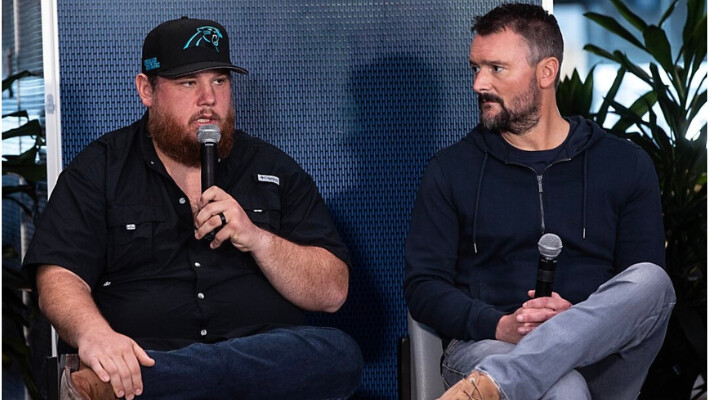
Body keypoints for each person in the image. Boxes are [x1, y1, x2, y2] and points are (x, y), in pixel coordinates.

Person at [22, 17, 363, 400]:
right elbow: (58, 278)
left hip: (249, 358)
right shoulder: (99, 170)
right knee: (130, 366)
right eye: (188, 83)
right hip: (148, 353)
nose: (208, 99)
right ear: (146, 90)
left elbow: (332, 292)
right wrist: (95, 336)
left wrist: (257, 239)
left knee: (339, 354)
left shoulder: (274, 169)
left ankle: (150, 383)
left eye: (219, 81)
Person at [404, 3, 675, 400]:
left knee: (652, 280)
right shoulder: (451, 170)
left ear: (546, 72)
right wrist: (500, 325)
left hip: (600, 357)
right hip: (490, 346)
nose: (479, 83)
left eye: (496, 69)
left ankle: (499, 384)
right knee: (562, 387)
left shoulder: (625, 164)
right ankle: (503, 378)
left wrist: (576, 323)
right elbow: (423, 286)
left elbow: (640, 299)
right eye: (475, 68)